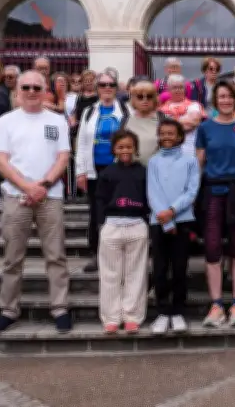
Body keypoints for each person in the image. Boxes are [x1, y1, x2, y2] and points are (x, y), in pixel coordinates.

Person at [0, 70, 72, 334]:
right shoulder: (6, 121)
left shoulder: (57, 121)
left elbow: (63, 158)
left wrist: (43, 185)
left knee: (56, 255)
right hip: (16, 196)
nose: (32, 92)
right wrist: (27, 186)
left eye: (37, 87)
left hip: (50, 195)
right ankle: (9, 309)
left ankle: (60, 308)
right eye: (27, 87)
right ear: (17, 90)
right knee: (13, 257)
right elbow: (0, 160)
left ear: (46, 89)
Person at [195, 80, 235, 328]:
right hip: (212, 191)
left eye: (230, 96)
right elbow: (198, 163)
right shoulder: (205, 128)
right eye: (221, 96)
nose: (226, 101)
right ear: (215, 99)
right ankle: (217, 304)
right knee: (212, 247)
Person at [92, 130, 150, 334]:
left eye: (129, 146)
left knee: (136, 273)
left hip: (136, 225)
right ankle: (111, 318)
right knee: (110, 274)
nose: (125, 150)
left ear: (135, 149)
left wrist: (147, 220)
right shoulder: (107, 173)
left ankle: (132, 316)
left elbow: (148, 198)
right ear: (114, 149)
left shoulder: (143, 172)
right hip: (112, 226)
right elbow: (99, 200)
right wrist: (101, 224)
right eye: (121, 147)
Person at [148, 119, 201, 334]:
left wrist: (172, 212)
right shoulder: (153, 162)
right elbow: (153, 192)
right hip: (158, 221)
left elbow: (191, 191)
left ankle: (178, 311)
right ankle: (162, 312)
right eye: (163, 133)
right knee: (160, 268)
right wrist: (166, 219)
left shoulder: (190, 161)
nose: (167, 137)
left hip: (183, 220)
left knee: (179, 268)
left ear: (180, 136)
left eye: (171, 133)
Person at [76, 72, 130, 273]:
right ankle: (97, 254)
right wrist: (80, 171)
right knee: (97, 213)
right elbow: (81, 142)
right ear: (97, 88)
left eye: (111, 84)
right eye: (103, 84)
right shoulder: (89, 111)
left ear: (117, 88)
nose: (107, 88)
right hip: (94, 169)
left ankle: (119, 255)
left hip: (118, 168)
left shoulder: (126, 110)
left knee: (120, 211)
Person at [159, 74, 204, 156]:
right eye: (174, 87)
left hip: (191, 152)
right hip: (169, 152)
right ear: (168, 90)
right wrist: (184, 119)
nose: (178, 90)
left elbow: (193, 122)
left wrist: (172, 120)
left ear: (185, 89)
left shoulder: (194, 105)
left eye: (180, 87)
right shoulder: (161, 109)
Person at [124, 80, 161, 164]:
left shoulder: (164, 119)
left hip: (157, 172)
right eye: (140, 97)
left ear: (154, 99)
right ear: (133, 99)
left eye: (149, 96)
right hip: (132, 171)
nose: (145, 100)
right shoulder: (125, 120)